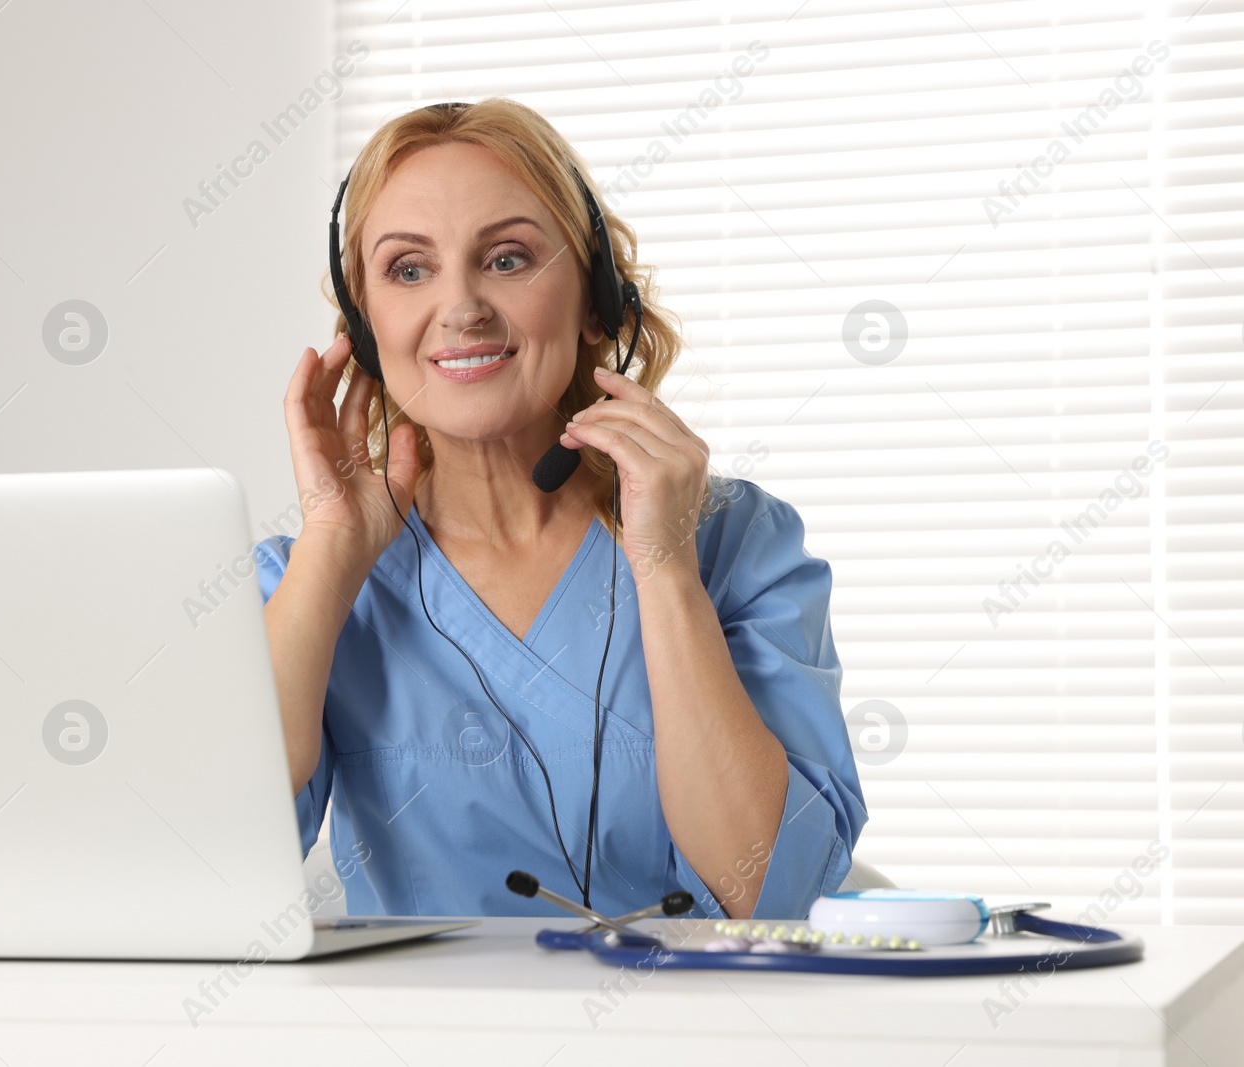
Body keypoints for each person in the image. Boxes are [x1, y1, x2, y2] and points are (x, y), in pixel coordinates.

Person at [256, 97, 865, 921]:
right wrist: (331, 551)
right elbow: (202, 867)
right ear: (366, 332)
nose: (462, 305)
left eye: (507, 259)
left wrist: (663, 566)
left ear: (595, 302)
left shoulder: (735, 544)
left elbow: (773, 893)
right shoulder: (308, 583)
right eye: (408, 269)